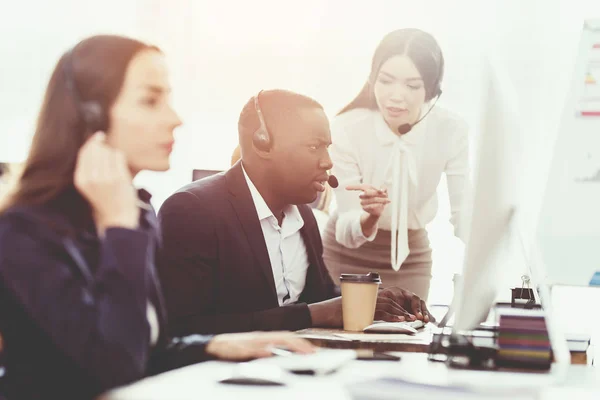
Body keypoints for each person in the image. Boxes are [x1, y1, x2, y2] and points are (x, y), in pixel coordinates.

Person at [0, 36, 313, 400]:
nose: (175, 119)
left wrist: (212, 346)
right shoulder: (25, 230)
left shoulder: (138, 211)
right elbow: (112, 366)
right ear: (90, 116)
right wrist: (119, 226)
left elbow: (141, 346)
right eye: (150, 101)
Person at [157, 89, 433, 338]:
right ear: (262, 143)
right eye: (314, 147)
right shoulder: (191, 211)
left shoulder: (303, 217)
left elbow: (321, 297)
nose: (327, 161)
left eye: (327, 147)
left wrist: (379, 300)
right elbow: (183, 328)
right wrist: (314, 314)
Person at [322, 28, 470, 300]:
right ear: (372, 79)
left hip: (410, 257)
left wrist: (490, 241)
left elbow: (464, 215)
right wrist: (370, 217)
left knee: (410, 333)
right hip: (346, 255)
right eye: (386, 81)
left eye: (412, 86)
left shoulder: (451, 130)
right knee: (341, 336)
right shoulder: (347, 127)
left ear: (432, 89)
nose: (395, 96)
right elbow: (346, 227)